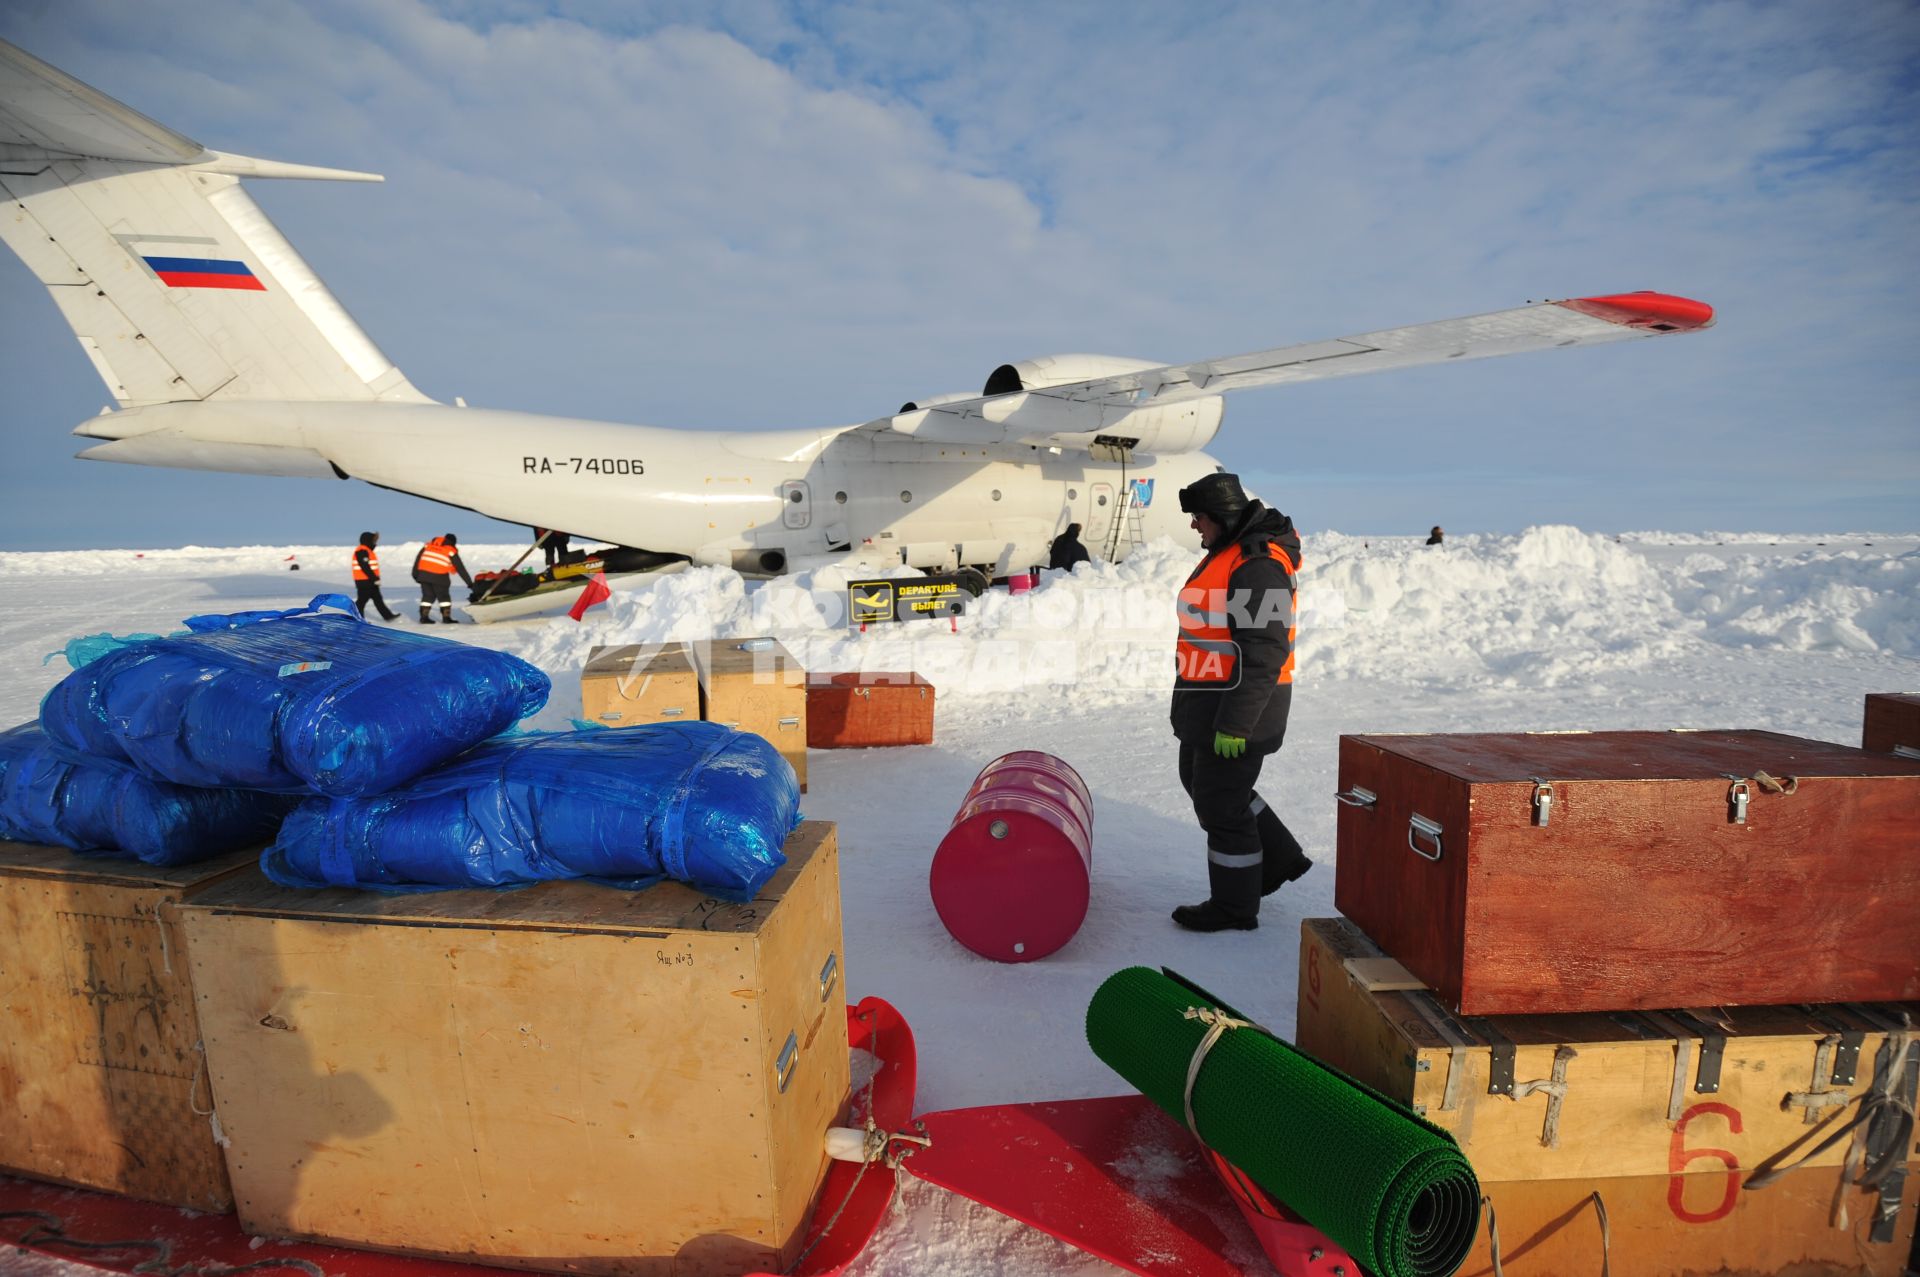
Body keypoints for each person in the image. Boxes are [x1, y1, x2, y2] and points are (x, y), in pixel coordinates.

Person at [1168, 472, 1313, 932]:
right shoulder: (1226, 554)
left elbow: (1266, 649)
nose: (1195, 526)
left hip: (1238, 708)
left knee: (1221, 805)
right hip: (1208, 701)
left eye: (1199, 517)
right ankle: (1279, 859)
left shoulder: (1257, 564)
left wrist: (1237, 724)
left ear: (1223, 516)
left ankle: (1234, 906)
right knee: (1203, 784)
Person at [412, 532, 474, 624]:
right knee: (444, 597)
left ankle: (424, 617)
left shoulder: (428, 546)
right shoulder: (450, 550)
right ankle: (446, 617)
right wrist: (469, 583)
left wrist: (415, 574)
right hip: (440, 577)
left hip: (424, 575)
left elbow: (418, 559)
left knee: (427, 596)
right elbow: (460, 568)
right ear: (453, 542)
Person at [349, 532, 400, 621]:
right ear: (367, 540)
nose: (375, 542)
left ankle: (388, 616)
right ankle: (358, 619)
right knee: (362, 601)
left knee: (378, 599)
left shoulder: (367, 550)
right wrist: (374, 578)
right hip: (364, 581)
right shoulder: (362, 551)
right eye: (373, 540)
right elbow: (365, 566)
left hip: (370, 580)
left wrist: (375, 579)